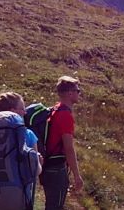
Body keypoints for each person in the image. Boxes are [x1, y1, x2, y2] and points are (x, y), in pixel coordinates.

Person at [40, 76, 84, 210]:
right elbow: (69, 148)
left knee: (51, 205)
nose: (79, 93)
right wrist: (77, 175)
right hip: (56, 168)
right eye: (78, 90)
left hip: (47, 166)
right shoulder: (65, 115)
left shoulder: (55, 109)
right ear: (70, 93)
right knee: (55, 206)